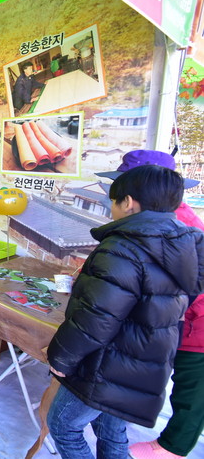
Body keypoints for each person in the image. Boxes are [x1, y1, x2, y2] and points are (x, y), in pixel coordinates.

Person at [46, 164, 204, 458]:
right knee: (112, 430)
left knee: (64, 426)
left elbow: (95, 319)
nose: (111, 208)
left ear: (128, 202)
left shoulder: (123, 247)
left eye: (113, 200)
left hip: (107, 364)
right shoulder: (186, 245)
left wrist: (61, 357)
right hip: (145, 364)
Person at [97, 150, 204, 459]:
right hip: (175, 322)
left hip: (193, 324)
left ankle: (172, 448)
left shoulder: (179, 226)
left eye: (121, 189)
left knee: (191, 391)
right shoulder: (154, 221)